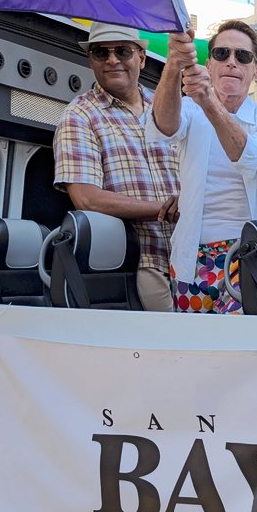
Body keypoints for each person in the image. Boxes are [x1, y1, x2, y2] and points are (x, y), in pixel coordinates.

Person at [152, 21, 257, 314]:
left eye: (242, 56)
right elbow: (163, 127)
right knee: (193, 347)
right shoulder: (190, 110)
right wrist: (174, 64)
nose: (231, 62)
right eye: (222, 53)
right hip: (190, 257)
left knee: (238, 347)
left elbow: (249, 157)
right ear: (210, 63)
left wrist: (207, 101)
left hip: (248, 258)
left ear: (256, 72)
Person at [54, 21, 179, 312]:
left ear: (141, 58)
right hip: (139, 263)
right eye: (101, 52)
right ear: (91, 60)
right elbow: (86, 198)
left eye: (122, 51)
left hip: (194, 257)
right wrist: (165, 208)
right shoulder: (79, 115)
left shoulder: (170, 105)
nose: (112, 60)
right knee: (174, 347)